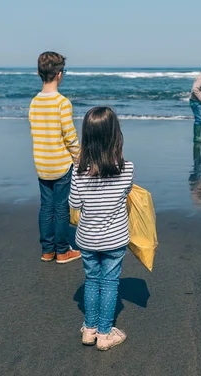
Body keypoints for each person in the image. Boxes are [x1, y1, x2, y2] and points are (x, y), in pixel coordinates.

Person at [69, 107, 134, 351]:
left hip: (86, 238)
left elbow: (74, 204)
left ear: (86, 136)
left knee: (91, 279)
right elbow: (125, 195)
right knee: (109, 283)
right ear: (116, 135)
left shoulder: (78, 170)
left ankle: (89, 329)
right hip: (115, 238)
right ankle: (105, 334)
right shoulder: (126, 168)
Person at [29, 51, 82, 264]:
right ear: (60, 74)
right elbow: (69, 135)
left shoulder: (34, 102)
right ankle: (62, 250)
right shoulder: (62, 103)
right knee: (61, 208)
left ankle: (47, 250)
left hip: (42, 164)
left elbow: (36, 132)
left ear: (38, 73)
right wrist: (78, 156)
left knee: (46, 207)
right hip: (60, 164)